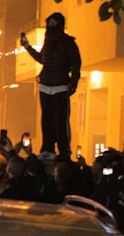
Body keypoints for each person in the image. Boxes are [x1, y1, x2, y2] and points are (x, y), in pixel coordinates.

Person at [19, 12, 81, 156]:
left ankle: (63, 150)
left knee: (60, 120)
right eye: (49, 24)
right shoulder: (48, 43)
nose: (50, 27)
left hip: (60, 86)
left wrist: (73, 85)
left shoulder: (68, 43)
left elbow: (76, 65)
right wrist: (27, 47)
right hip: (45, 86)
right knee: (46, 120)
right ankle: (48, 148)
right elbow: (43, 59)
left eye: (53, 24)